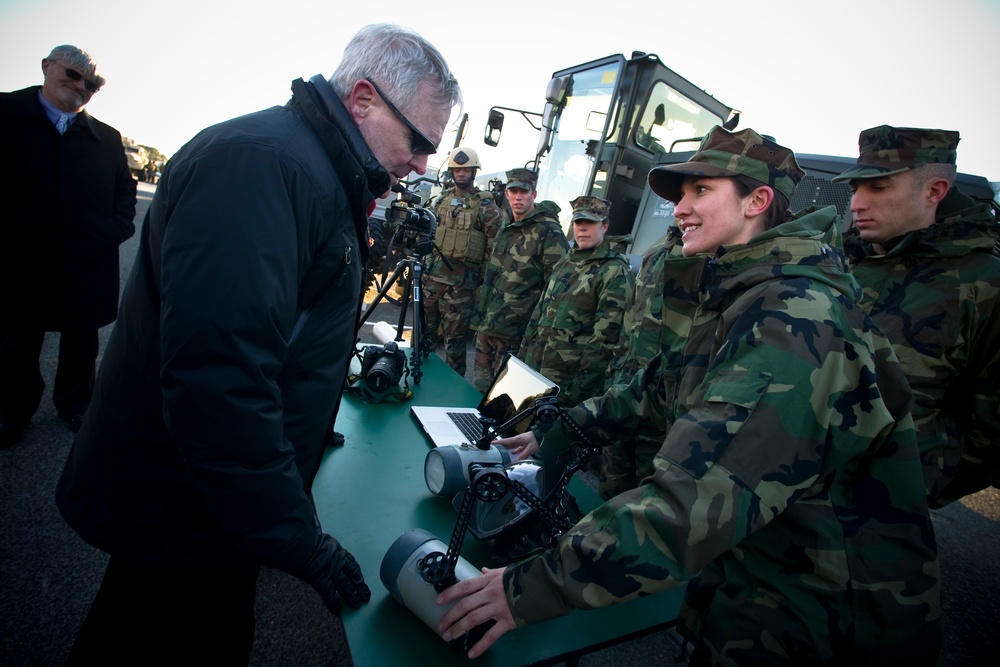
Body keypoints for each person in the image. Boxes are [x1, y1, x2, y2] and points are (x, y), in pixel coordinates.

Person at [437, 127, 940, 665]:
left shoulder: (794, 321)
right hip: (763, 578)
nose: (679, 209)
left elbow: (694, 503)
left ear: (757, 201)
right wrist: (552, 433)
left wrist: (527, 589)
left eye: (701, 191)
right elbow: (660, 387)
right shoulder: (747, 292)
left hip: (825, 617)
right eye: (681, 195)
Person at [55, 24, 461, 663]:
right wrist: (297, 539)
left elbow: (283, 333)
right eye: (418, 142)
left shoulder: (309, 169)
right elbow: (220, 383)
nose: (421, 165)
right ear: (362, 99)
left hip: (210, 506)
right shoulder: (262, 166)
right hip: (183, 508)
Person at [833, 125, 1000, 507]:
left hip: (880, 516)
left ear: (934, 191)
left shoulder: (983, 283)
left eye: (878, 188)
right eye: (855, 188)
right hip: (795, 492)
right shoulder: (843, 260)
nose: (857, 203)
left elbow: (991, 427)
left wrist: (922, 484)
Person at [0, 45, 137, 448]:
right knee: (15, 342)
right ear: (46, 66)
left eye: (91, 82)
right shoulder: (6, 115)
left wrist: (115, 229)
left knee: (81, 340)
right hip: (18, 259)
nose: (81, 86)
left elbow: (124, 191)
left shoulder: (106, 138)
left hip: (85, 259)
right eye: (73, 74)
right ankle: (12, 410)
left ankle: (77, 405)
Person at [520, 196, 634, 406]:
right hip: (536, 371)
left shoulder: (613, 271)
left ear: (605, 226)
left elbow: (604, 342)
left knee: (549, 437)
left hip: (567, 383)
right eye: (578, 223)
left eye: (590, 223)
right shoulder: (565, 262)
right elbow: (539, 314)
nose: (582, 229)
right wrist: (523, 360)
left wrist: (577, 391)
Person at [597, 223, 683, 498]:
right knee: (611, 483)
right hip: (627, 388)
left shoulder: (711, 261)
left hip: (664, 407)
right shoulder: (658, 252)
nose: (682, 207)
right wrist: (617, 371)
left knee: (645, 495)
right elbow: (630, 320)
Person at [470, 168, 568, 392]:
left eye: (523, 192)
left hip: (515, 329)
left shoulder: (548, 230)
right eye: (513, 191)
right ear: (506, 194)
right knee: (479, 387)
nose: (518, 197)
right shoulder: (506, 225)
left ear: (533, 194)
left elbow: (556, 285)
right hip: (488, 322)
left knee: (503, 393)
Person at [424, 146, 504, 377]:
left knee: (454, 342)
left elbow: (495, 249)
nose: (461, 174)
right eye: (457, 170)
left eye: (466, 170)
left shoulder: (485, 206)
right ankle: (419, 381)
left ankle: (452, 391)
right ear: (451, 171)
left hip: (461, 287)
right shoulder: (441, 200)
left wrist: (483, 285)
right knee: (424, 337)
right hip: (431, 281)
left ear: (474, 172)